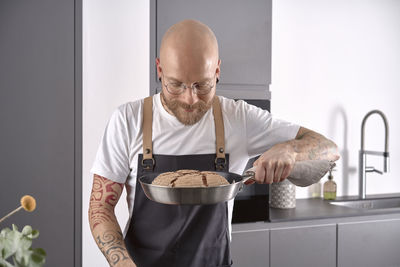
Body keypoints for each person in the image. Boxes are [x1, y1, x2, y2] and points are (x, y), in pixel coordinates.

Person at [88, 19, 339, 267]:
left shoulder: (238, 118)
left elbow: (329, 149)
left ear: (217, 71)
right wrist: (122, 264)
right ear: (159, 70)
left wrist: (290, 149)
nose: (190, 99)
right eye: (176, 85)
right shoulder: (128, 120)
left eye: (202, 85)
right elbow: (100, 207)